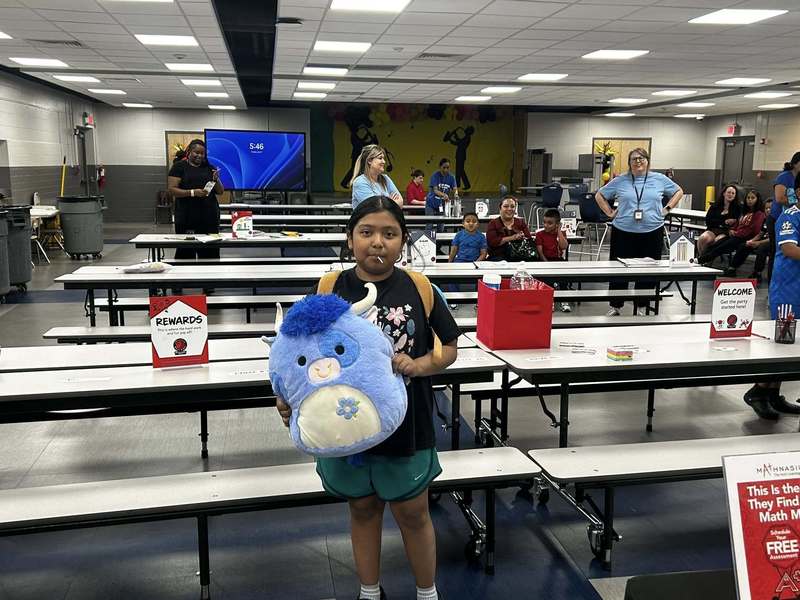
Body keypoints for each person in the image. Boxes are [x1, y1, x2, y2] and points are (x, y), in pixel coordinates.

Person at [276, 196, 459, 600]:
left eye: (389, 234)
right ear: (349, 238)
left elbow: (449, 347)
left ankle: (427, 593)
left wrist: (420, 365)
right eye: (367, 232)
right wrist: (285, 397)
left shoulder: (421, 287)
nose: (378, 242)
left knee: (413, 512)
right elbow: (294, 352)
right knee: (362, 509)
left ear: (403, 241)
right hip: (343, 424)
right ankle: (369, 591)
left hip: (407, 423)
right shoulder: (328, 289)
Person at [595, 147, 683, 316]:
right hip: (623, 231)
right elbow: (600, 195)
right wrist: (609, 213)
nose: (638, 162)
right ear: (629, 163)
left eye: (642, 158)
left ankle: (642, 306)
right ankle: (615, 305)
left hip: (652, 231)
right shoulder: (621, 180)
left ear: (648, 161)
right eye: (634, 159)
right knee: (619, 270)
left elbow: (678, 191)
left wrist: (667, 208)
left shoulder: (659, 179)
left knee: (647, 272)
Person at [741, 201, 800, 420]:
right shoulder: (790, 216)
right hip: (789, 292)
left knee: (793, 349)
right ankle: (758, 390)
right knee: (783, 346)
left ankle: (772, 393)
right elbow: (789, 248)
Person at [167, 138, 224, 260]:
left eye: (202, 153)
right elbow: (172, 190)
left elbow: (220, 191)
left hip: (209, 218)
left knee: (211, 254)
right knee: (186, 252)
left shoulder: (209, 167)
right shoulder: (179, 167)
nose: (199, 155)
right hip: (187, 217)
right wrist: (193, 193)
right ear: (189, 152)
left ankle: (210, 278)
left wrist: (216, 179)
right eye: (196, 152)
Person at [699, 189, 765, 266]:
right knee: (718, 243)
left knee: (722, 246)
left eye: (753, 198)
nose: (750, 200)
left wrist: (737, 233)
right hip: (735, 235)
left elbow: (753, 229)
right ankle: (702, 259)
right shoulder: (744, 211)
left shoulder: (759, 214)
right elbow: (737, 223)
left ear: (757, 200)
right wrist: (732, 230)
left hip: (744, 238)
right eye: (748, 198)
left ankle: (702, 260)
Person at [767, 152, 800, 282]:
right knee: (775, 251)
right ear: (795, 163)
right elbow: (780, 198)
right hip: (778, 217)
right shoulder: (784, 177)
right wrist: (796, 201)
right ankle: (772, 283)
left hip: (794, 216)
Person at [726, 196, 772, 282]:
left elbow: (773, 238)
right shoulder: (766, 220)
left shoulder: (778, 220)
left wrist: (758, 243)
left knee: (762, 249)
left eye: (770, 208)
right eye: (766, 208)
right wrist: (752, 241)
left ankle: (757, 272)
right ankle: (732, 268)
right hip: (762, 240)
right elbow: (760, 234)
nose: (768, 210)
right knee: (744, 245)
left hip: (772, 243)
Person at [536, 208, 571, 312]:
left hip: (558, 260)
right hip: (545, 260)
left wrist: (559, 231)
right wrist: (547, 264)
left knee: (565, 277)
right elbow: (540, 252)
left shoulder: (561, 234)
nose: (546, 225)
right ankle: (550, 301)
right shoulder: (540, 234)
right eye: (544, 222)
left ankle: (564, 301)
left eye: (550, 223)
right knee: (548, 280)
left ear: (557, 224)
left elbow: (564, 246)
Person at [696, 185, 741, 256]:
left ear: (735, 196)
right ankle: (702, 258)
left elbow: (737, 222)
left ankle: (707, 260)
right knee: (703, 238)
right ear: (724, 193)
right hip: (713, 230)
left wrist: (723, 223)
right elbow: (709, 221)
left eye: (733, 193)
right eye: (729, 192)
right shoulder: (715, 205)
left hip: (726, 232)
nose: (730, 195)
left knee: (716, 242)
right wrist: (724, 222)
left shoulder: (738, 208)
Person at [486, 195, 534, 261]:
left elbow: (529, 239)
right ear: (500, 208)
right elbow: (492, 242)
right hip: (497, 258)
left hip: (520, 257)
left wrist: (522, 237)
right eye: (506, 206)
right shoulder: (493, 223)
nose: (509, 209)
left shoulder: (521, 222)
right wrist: (512, 238)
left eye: (512, 206)